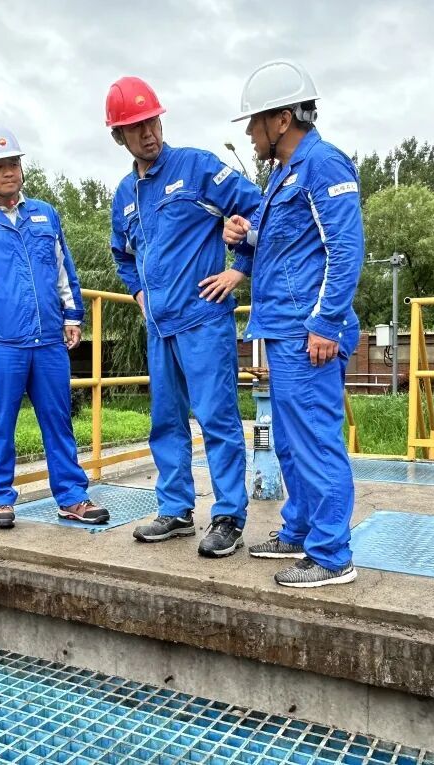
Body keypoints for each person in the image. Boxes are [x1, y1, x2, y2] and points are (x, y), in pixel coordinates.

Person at [106, 76, 261, 557]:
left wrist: (240, 269)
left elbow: (259, 208)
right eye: (135, 127)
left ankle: (229, 516)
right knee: (166, 423)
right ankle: (175, 510)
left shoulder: (196, 167)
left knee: (217, 419)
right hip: (160, 329)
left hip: (203, 321)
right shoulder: (124, 195)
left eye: (152, 121)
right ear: (118, 136)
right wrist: (138, 293)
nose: (148, 133)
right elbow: (122, 254)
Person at [223, 60, 364, 587]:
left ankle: (331, 555)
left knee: (315, 441)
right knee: (290, 441)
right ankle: (301, 530)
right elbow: (286, 244)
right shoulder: (284, 174)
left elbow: (345, 249)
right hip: (283, 328)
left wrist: (326, 323)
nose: (249, 133)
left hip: (309, 332)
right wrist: (244, 234)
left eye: (254, 121)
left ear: (282, 119)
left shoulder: (323, 164)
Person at [0, 124, 109, 530]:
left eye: (13, 164)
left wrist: (72, 316)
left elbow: (63, 269)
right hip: (1, 342)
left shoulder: (45, 214)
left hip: (49, 339)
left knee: (58, 420)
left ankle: (72, 497)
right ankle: (1, 499)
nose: (8, 172)